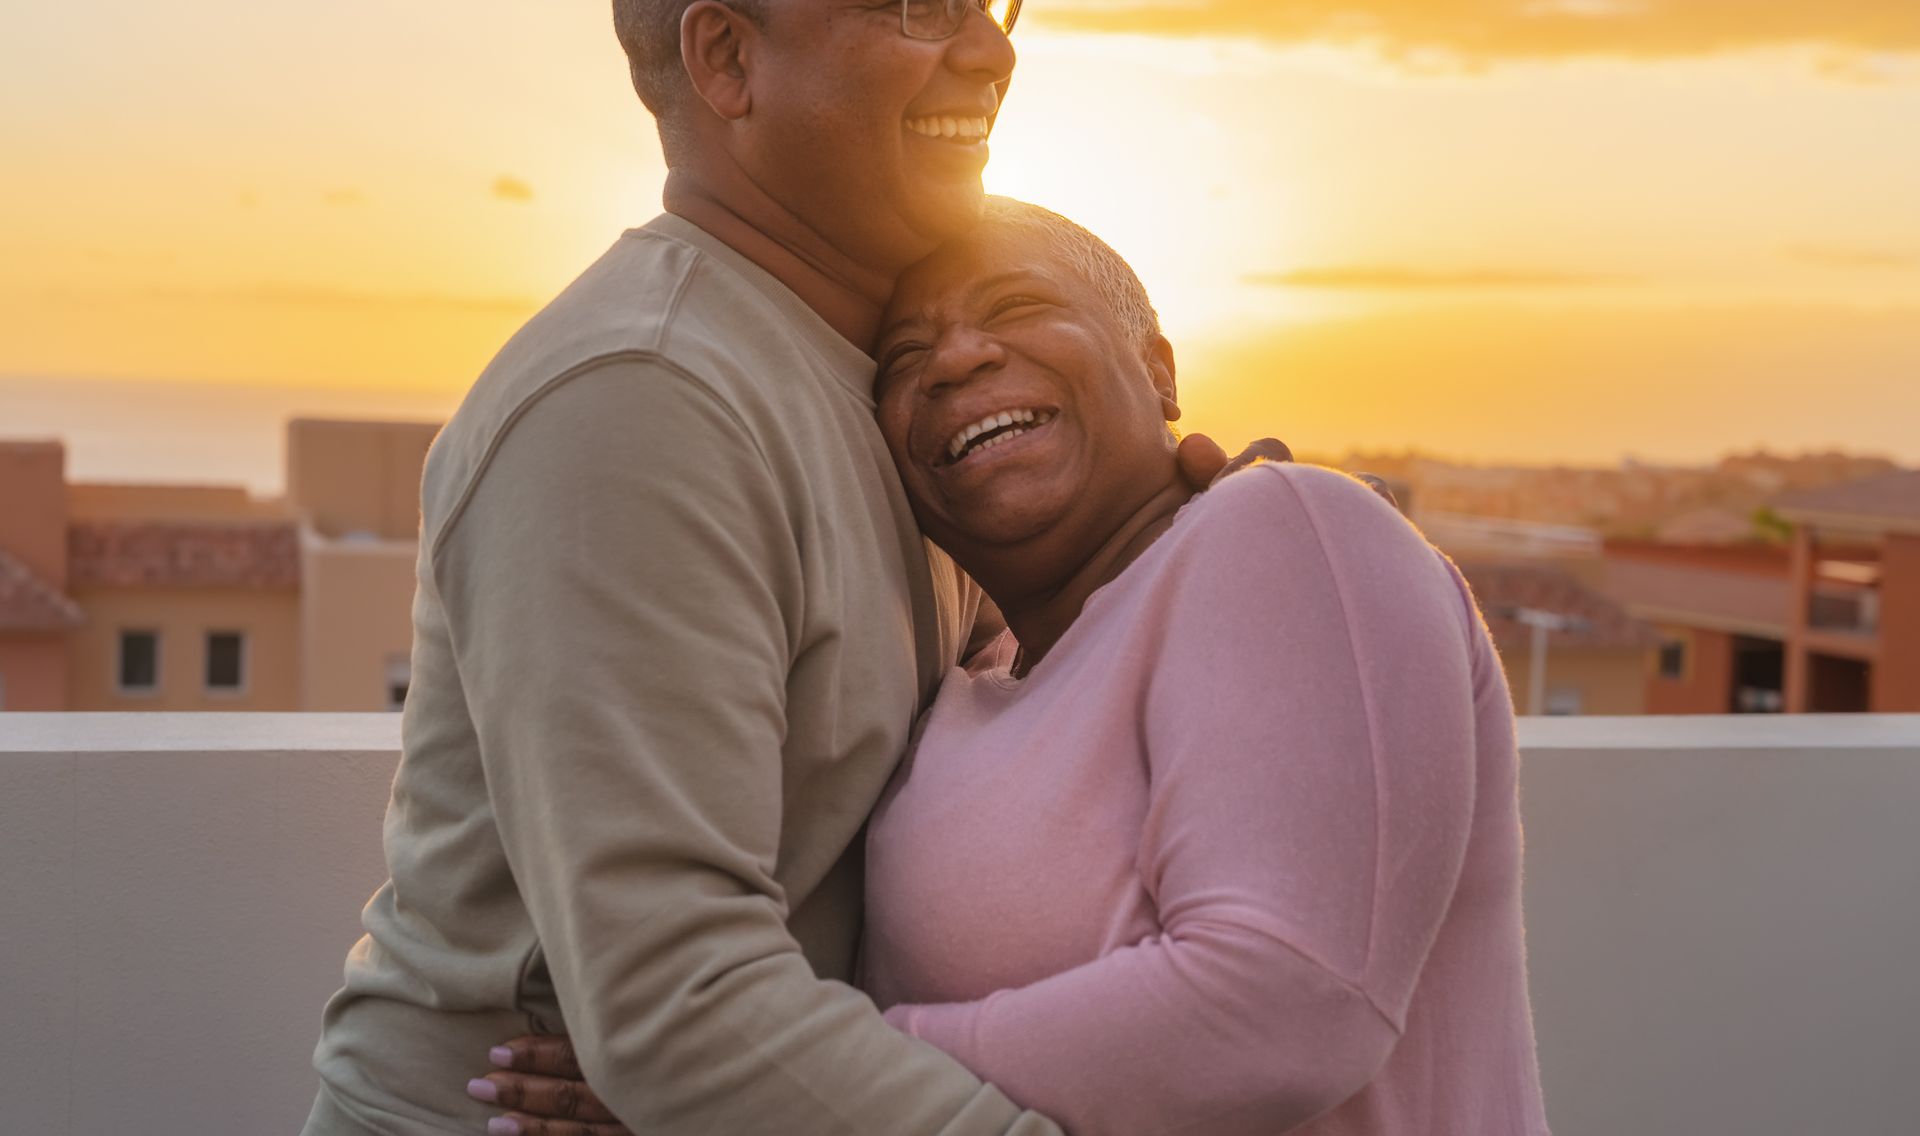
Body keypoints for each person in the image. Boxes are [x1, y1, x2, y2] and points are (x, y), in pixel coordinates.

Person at [302, 0, 1266, 1134]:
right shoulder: (641, 402)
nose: (989, 50)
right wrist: (698, 1061)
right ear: (726, 59)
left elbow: (1010, 747)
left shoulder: (887, 387)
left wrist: (1194, 552)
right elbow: (679, 1003)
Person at [480, 203, 1551, 1135]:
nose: (953, 360)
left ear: (1159, 369)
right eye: (903, 360)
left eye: (1015, 307)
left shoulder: (1282, 526)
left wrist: (762, 1092)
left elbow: (1285, 1004)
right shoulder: (961, 688)